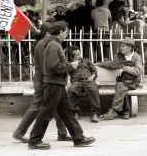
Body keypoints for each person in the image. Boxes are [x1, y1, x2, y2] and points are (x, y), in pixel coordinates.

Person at [28, 21, 96, 149]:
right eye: (66, 32)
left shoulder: (53, 44)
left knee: (67, 111)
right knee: (46, 112)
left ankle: (78, 138)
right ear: (60, 32)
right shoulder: (54, 45)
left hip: (57, 83)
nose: (67, 34)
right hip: (54, 83)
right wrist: (71, 66)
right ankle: (34, 140)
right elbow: (53, 66)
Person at [12, 23, 71, 143]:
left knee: (58, 105)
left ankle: (62, 132)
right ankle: (19, 132)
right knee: (37, 106)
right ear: (48, 33)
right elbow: (49, 66)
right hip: (43, 79)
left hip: (46, 79)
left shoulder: (43, 43)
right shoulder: (44, 44)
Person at [97, 37, 143, 120]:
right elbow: (112, 65)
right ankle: (126, 112)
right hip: (123, 81)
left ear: (130, 47)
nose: (121, 48)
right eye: (121, 46)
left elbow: (138, 71)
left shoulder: (137, 57)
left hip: (133, 82)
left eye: (123, 46)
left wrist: (124, 68)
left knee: (121, 86)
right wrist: (101, 64)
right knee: (122, 87)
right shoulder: (119, 55)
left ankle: (114, 110)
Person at [67, 46, 101, 123]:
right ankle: (76, 112)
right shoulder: (70, 64)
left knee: (94, 89)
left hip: (88, 80)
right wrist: (72, 66)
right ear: (72, 57)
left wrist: (92, 77)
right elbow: (65, 74)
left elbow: (95, 72)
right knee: (71, 90)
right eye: (77, 55)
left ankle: (94, 113)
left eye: (79, 53)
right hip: (77, 82)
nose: (80, 56)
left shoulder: (87, 61)